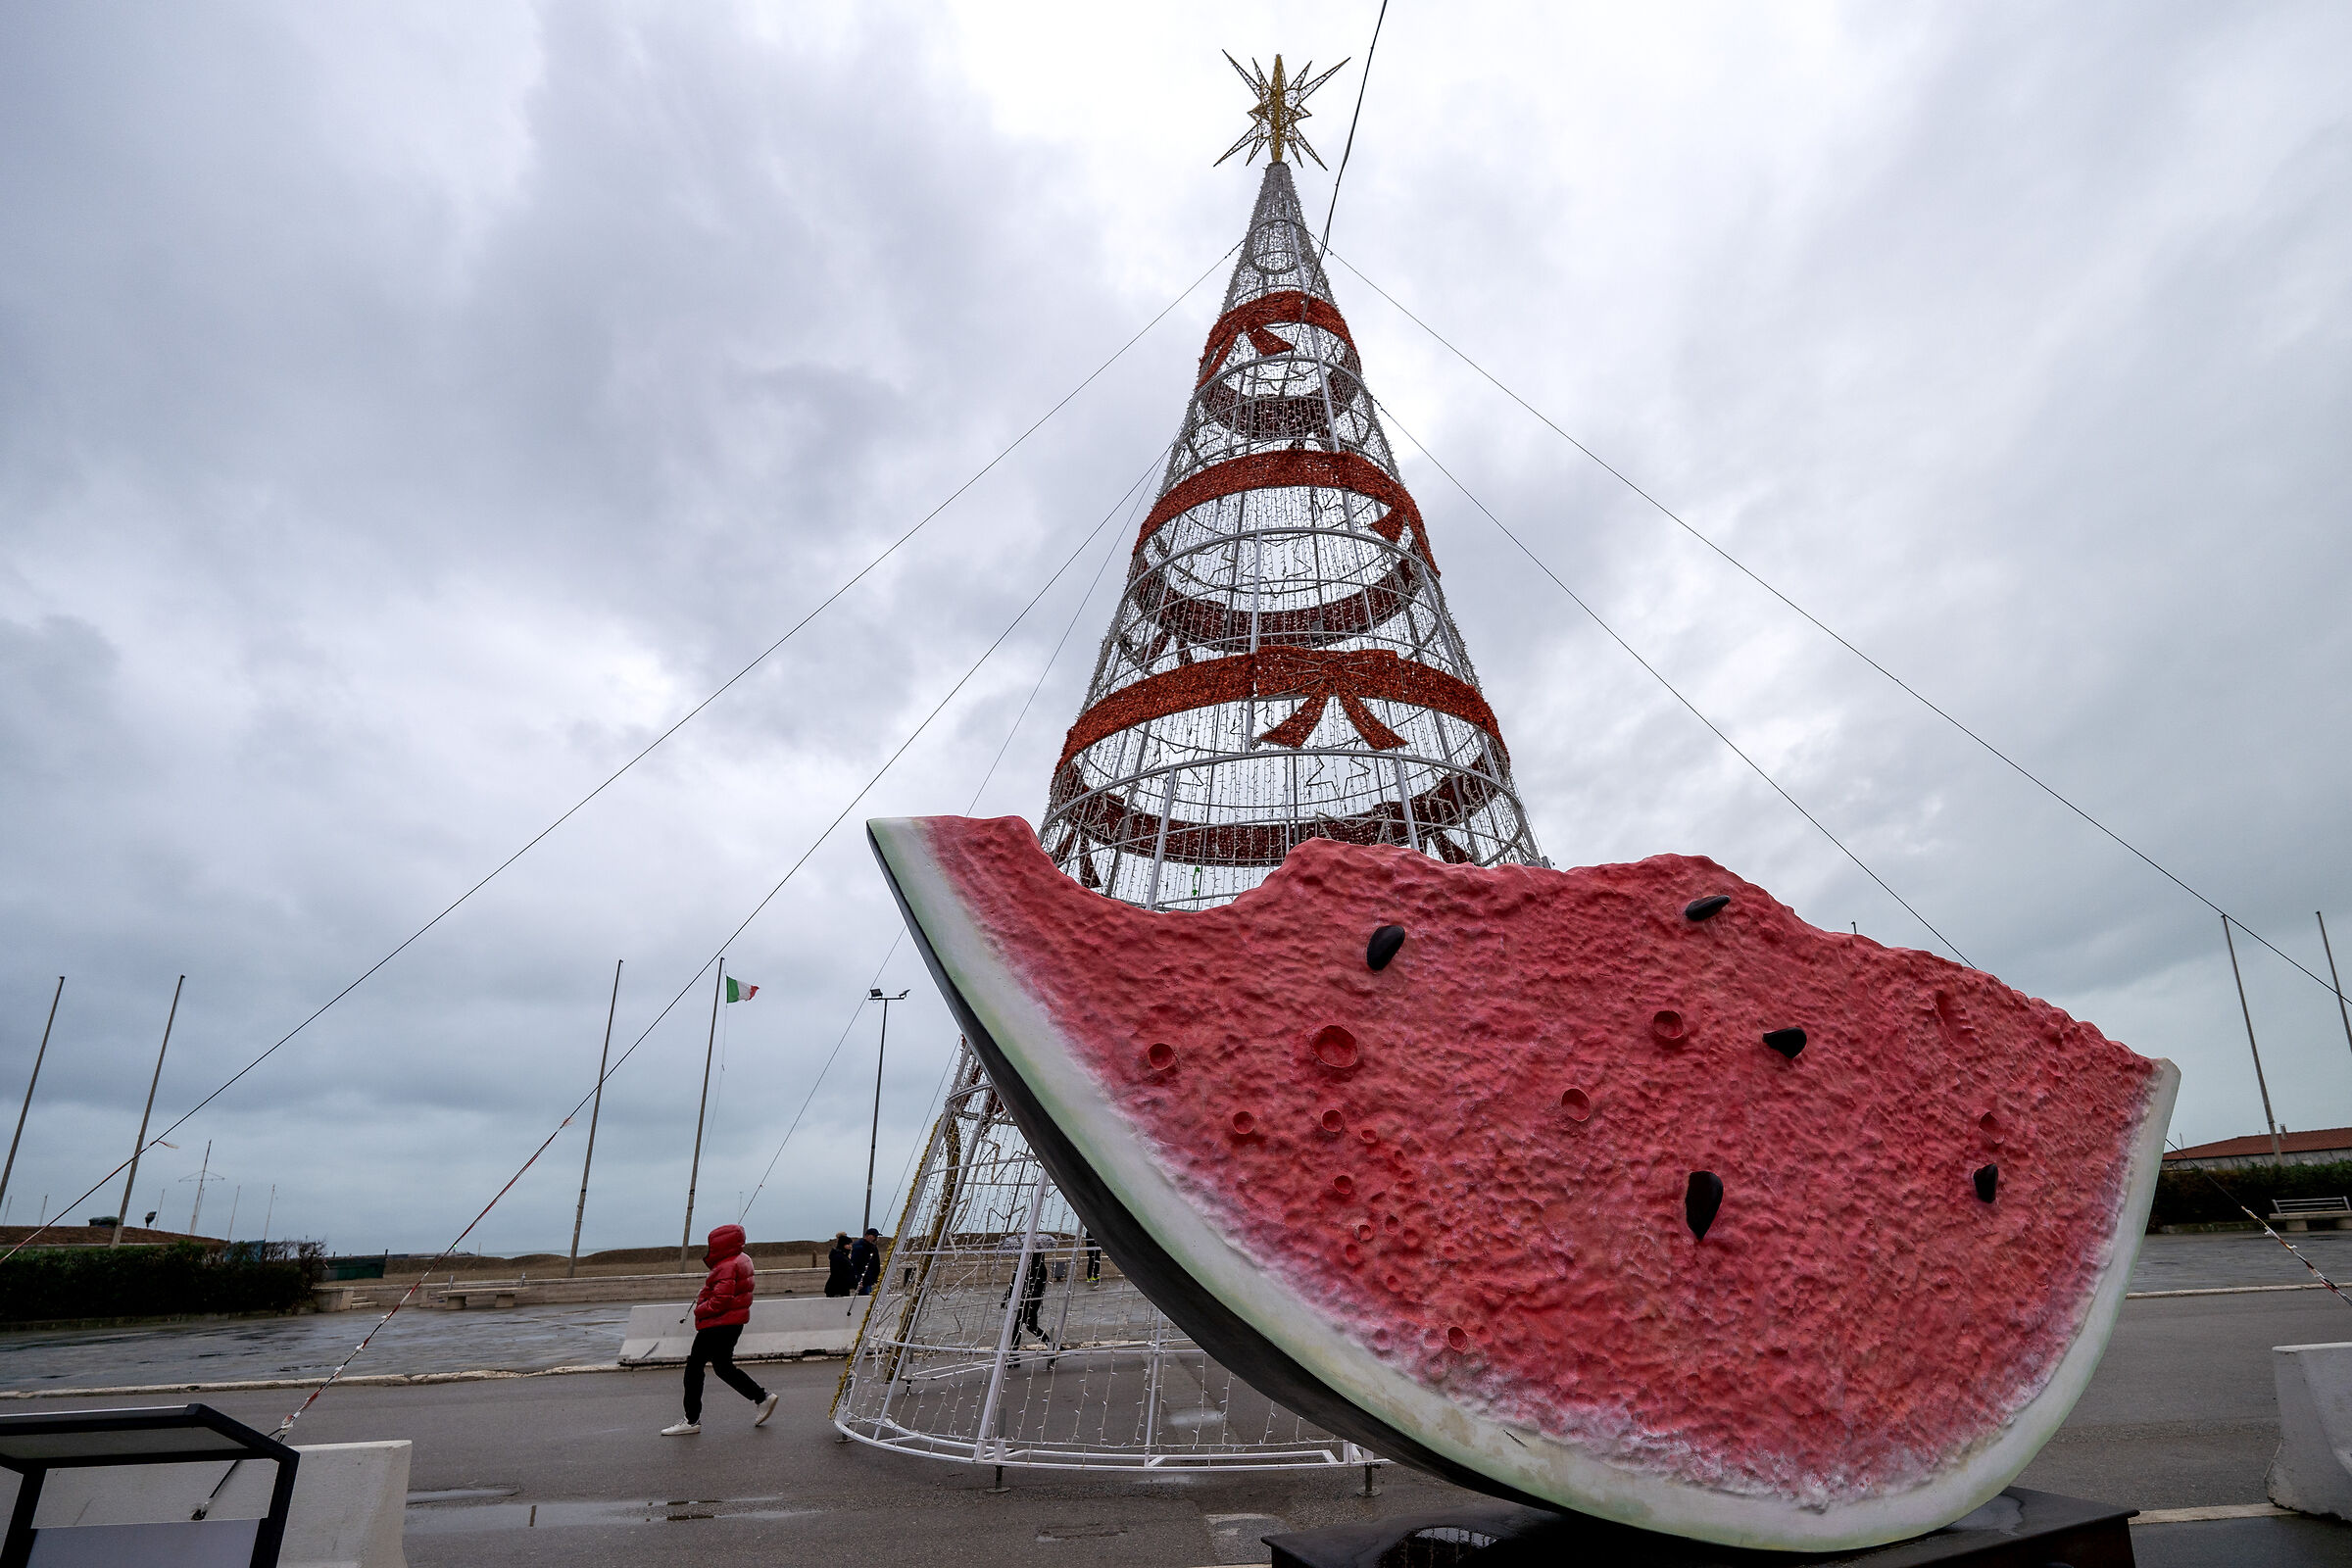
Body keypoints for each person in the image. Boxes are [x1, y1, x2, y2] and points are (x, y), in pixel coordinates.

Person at [661, 1223, 779, 1436]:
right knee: (723, 1367)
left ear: (719, 1244)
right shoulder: (743, 1259)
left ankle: (691, 1420)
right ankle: (761, 1397)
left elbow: (721, 1300)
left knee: (694, 1368)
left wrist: (700, 1308)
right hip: (733, 1323)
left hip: (718, 1324)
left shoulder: (726, 1265)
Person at [851, 1227, 881, 1296]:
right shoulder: (860, 1246)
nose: (875, 1238)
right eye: (874, 1236)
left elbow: (876, 1262)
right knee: (864, 1295)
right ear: (867, 1235)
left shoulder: (872, 1247)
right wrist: (859, 1278)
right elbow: (856, 1263)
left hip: (870, 1277)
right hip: (863, 1278)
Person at [823, 1232, 855, 1298]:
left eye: (850, 1244)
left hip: (843, 1288)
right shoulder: (837, 1257)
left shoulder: (844, 1255)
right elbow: (837, 1273)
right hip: (836, 1289)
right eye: (847, 1244)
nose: (850, 1246)